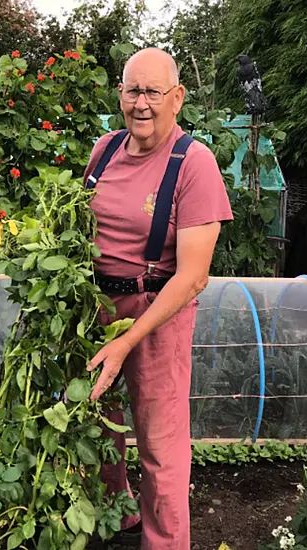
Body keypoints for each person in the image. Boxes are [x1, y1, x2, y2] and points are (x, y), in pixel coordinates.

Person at [83, 48, 233, 549]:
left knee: (160, 443)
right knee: (97, 421)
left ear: (177, 98)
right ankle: (115, 515)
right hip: (98, 308)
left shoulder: (194, 164)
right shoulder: (105, 149)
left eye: (152, 92)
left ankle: (165, 542)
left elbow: (192, 277)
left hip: (158, 309)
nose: (140, 103)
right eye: (132, 91)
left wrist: (126, 343)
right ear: (120, 95)